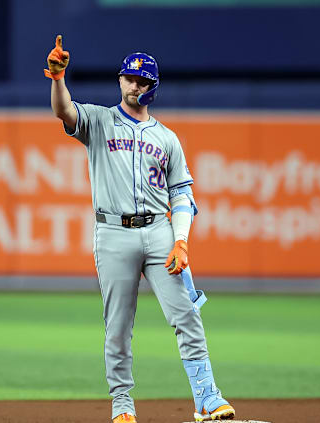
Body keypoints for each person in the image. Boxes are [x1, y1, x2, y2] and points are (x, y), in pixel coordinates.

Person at [45, 36, 235, 422]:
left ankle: (207, 398)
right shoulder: (98, 120)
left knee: (187, 315)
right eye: (129, 78)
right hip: (113, 233)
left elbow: (182, 193)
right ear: (120, 81)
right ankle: (122, 407)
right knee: (117, 325)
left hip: (160, 232)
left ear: (153, 88)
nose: (135, 85)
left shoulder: (167, 138)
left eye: (142, 81)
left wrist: (181, 242)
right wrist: (58, 77)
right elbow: (64, 111)